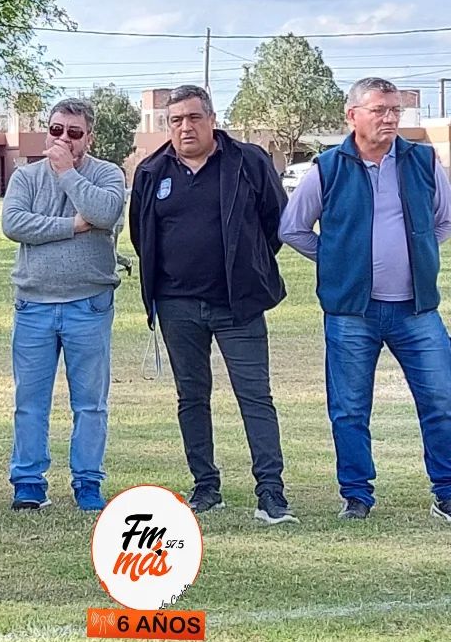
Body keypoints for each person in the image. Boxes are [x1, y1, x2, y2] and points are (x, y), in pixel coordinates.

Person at [280, 76, 451, 523]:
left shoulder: (422, 160)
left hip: (417, 309)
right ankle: (357, 496)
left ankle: (447, 492)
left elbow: (444, 220)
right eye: (379, 110)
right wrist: (337, 260)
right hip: (352, 313)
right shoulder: (328, 167)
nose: (389, 118)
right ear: (352, 115)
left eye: (395, 110)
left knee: (442, 401)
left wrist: (420, 251)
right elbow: (293, 228)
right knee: (350, 409)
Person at [129, 85, 295, 525]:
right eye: (176, 120)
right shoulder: (151, 172)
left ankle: (271, 492)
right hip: (176, 306)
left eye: (194, 117)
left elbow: (275, 223)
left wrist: (248, 265)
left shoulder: (248, 161)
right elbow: (142, 237)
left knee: (255, 396)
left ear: (212, 119)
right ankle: (205, 486)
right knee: (191, 397)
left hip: (239, 305)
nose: (185, 127)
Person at [0, 97, 124, 512]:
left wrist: (68, 173)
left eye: (74, 132)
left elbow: (104, 213)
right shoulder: (26, 176)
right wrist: (73, 224)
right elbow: (15, 224)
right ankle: (28, 482)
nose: (64, 138)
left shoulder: (107, 174)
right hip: (33, 304)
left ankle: (88, 482)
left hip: (89, 304)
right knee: (30, 402)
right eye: (56, 130)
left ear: (89, 137)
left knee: (90, 403)